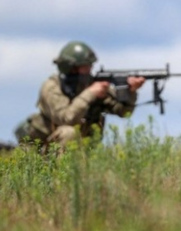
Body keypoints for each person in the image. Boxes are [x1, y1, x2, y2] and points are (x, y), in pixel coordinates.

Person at [14, 41, 145, 150]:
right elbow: (66, 118)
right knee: (68, 132)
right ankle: (61, 180)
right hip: (41, 153)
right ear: (72, 68)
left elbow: (123, 112)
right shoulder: (51, 87)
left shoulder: (91, 85)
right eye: (86, 67)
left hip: (80, 151)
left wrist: (131, 92)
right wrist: (90, 94)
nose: (90, 70)